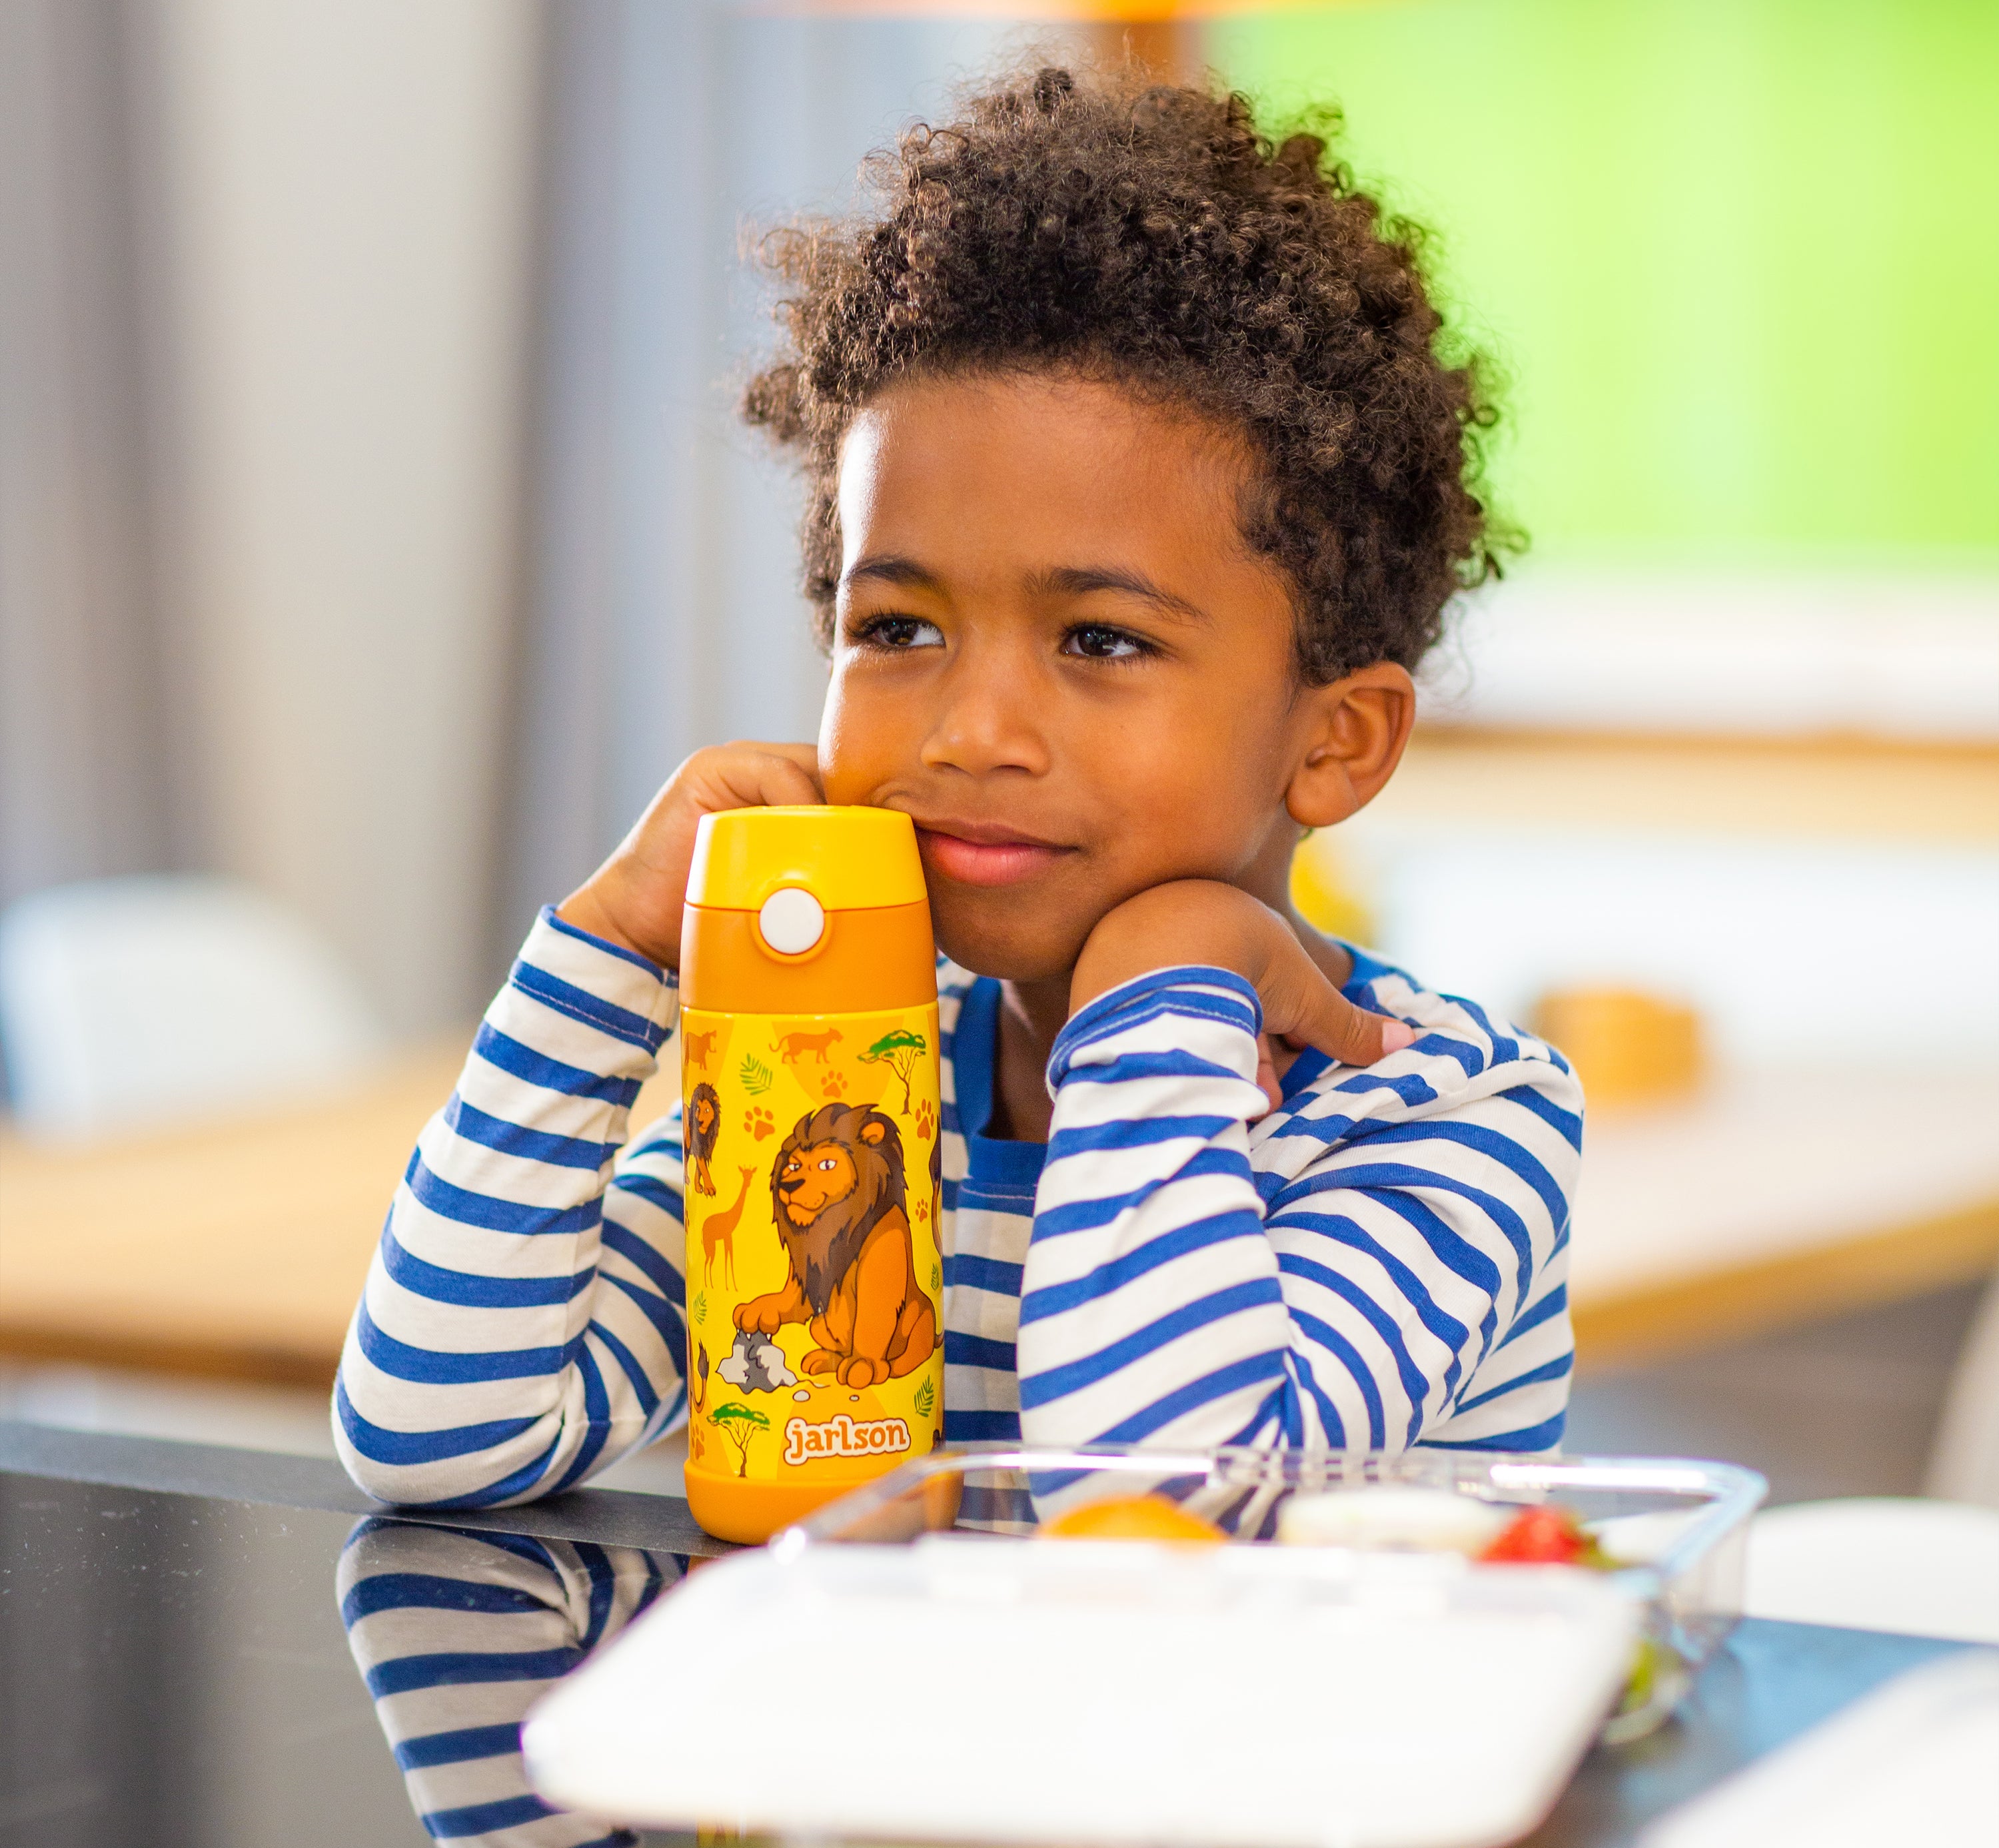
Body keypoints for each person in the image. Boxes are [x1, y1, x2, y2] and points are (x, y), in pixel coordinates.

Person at [335, 63, 1581, 1509]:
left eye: (1102, 640)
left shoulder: (1442, 1116)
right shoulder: (851, 1084)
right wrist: (613, 952)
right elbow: (437, 1440)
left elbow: (1159, 1515)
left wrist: (1159, 994)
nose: (974, 729)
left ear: (1337, 741)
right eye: (899, 631)